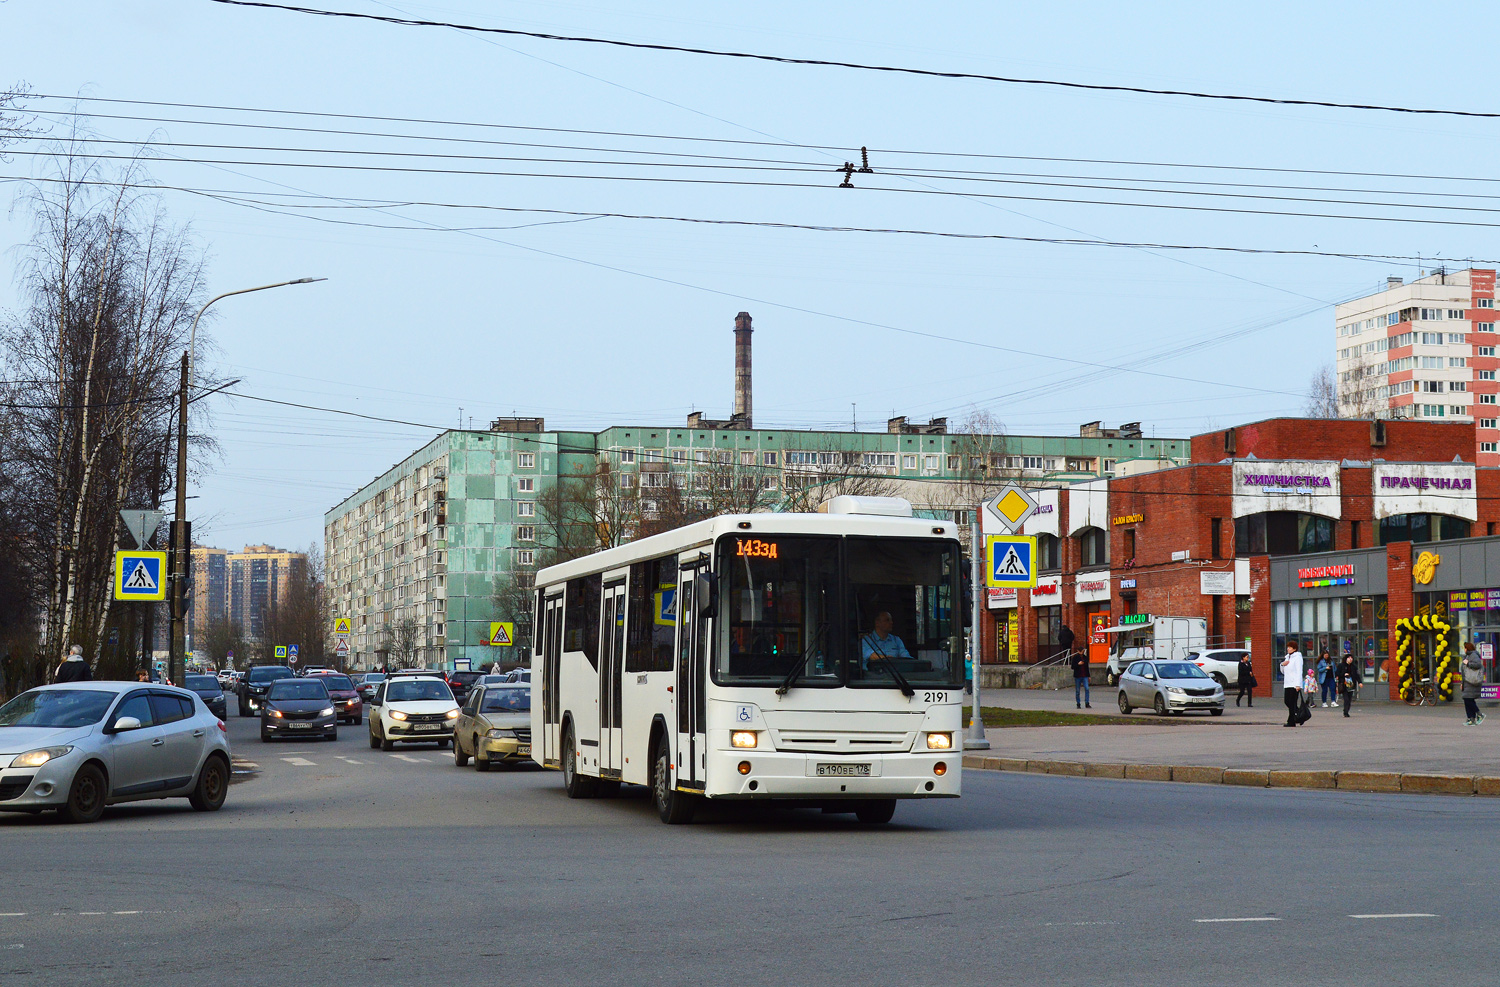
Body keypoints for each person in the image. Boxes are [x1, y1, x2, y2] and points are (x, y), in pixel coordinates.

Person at [1280, 642, 1304, 727]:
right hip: (1287, 683)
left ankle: (1291, 721)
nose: (1288, 648)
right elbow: (1283, 671)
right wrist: (1282, 664)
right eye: (1288, 647)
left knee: (1292, 702)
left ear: (1294, 649)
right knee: (1287, 701)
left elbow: (1299, 671)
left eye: (1290, 647)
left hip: (1294, 684)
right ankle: (1300, 716)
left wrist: (1298, 684)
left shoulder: (1297, 658)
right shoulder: (1287, 657)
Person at [1461, 644, 1485, 726]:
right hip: (1467, 681)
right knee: (1467, 699)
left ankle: (1479, 714)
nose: (1464, 649)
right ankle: (1471, 718)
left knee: (1468, 699)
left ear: (1467, 648)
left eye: (1464, 648)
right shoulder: (1468, 656)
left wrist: (1468, 663)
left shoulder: (1473, 655)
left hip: (1472, 681)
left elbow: (1478, 665)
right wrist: (1462, 683)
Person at [1338, 652, 1360, 718]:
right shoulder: (1341, 665)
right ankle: (1345, 712)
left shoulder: (1353, 667)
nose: (1350, 659)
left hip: (1351, 684)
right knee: (1346, 699)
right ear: (1346, 659)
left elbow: (1357, 675)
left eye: (1351, 658)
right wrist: (1344, 674)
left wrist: (1360, 682)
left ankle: (1347, 710)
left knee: (1350, 698)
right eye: (1349, 658)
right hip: (1344, 684)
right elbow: (1337, 674)